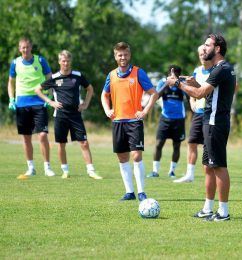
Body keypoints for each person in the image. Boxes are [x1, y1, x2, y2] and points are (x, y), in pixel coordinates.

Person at [166, 34, 236, 221]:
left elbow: (198, 94)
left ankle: (223, 212)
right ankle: (208, 208)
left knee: (219, 166)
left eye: (207, 45)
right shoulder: (220, 68)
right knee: (208, 166)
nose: (204, 48)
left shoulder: (221, 69)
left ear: (218, 49)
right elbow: (204, 92)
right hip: (211, 121)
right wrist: (194, 82)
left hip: (215, 123)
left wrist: (178, 83)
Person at [101, 42, 158, 201]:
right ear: (115, 56)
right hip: (118, 121)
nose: (123, 57)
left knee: (136, 155)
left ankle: (141, 192)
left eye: (125, 54)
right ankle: (129, 192)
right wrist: (107, 110)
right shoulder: (111, 75)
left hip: (134, 121)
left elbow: (154, 93)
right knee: (122, 157)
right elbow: (104, 95)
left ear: (129, 55)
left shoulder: (138, 73)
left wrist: (145, 111)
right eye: (119, 55)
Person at [35, 50, 102, 180]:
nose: (65, 63)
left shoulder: (78, 75)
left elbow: (90, 89)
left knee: (84, 142)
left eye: (68, 61)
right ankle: (65, 170)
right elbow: (37, 89)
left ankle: (91, 171)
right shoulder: (54, 78)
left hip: (75, 115)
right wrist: (50, 102)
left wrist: (85, 104)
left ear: (70, 62)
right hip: (60, 115)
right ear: (60, 62)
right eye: (63, 61)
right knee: (61, 144)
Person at [8, 37, 56, 179]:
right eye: (23, 47)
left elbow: (49, 78)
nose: (25, 50)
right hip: (22, 103)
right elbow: (10, 82)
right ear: (19, 48)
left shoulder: (40, 60)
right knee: (26, 138)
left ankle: (47, 167)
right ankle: (31, 168)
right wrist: (11, 99)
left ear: (31, 47)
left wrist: (50, 96)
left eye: (27, 47)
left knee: (42, 135)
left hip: (39, 102)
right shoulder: (15, 63)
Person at [174, 45, 213, 183]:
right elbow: (192, 88)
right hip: (199, 112)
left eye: (205, 51)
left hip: (211, 112)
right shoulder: (197, 71)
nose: (202, 54)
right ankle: (189, 174)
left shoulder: (216, 70)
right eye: (200, 53)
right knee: (191, 142)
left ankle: (210, 174)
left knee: (208, 146)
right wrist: (192, 101)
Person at [147, 65, 187, 179]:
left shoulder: (182, 85)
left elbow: (190, 96)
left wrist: (179, 83)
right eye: (170, 74)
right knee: (159, 144)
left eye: (175, 75)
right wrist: (167, 83)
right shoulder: (162, 83)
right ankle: (155, 171)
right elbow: (157, 96)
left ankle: (172, 171)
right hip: (165, 118)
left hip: (179, 119)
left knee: (177, 146)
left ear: (178, 76)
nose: (172, 76)